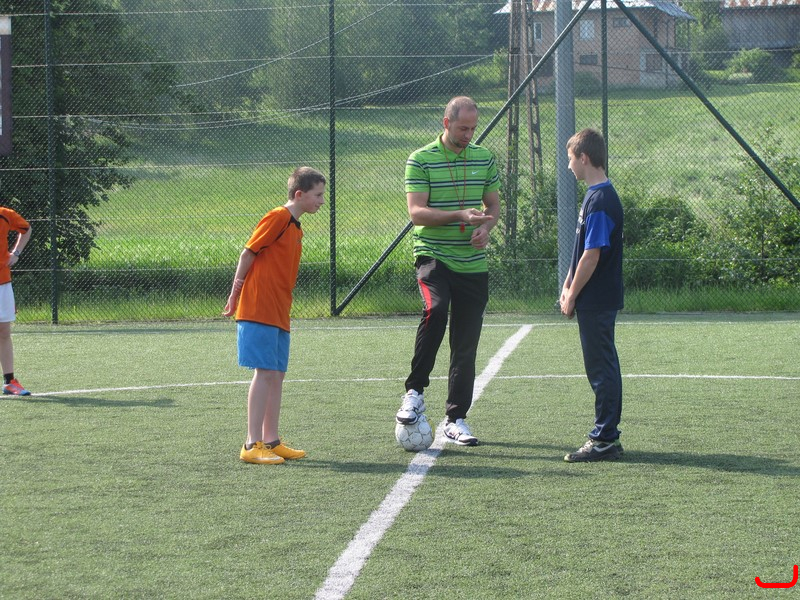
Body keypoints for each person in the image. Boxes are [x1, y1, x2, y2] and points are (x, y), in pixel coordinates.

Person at [396, 96, 501, 446]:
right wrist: (459, 216)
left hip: (473, 263)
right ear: (446, 123)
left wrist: (485, 228)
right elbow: (417, 212)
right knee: (435, 310)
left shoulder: (484, 158)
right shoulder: (421, 159)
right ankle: (414, 393)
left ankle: (456, 419)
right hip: (433, 256)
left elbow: (493, 205)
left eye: (473, 128)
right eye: (462, 128)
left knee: (466, 343)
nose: (469, 134)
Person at [223, 167, 326, 464]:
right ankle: (251, 444)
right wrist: (235, 294)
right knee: (265, 372)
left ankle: (271, 441)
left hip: (279, 310)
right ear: (299, 194)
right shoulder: (278, 217)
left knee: (277, 374)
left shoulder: (296, 227)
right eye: (318, 195)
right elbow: (248, 253)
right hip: (259, 307)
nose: (321, 201)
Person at [559, 128, 624, 462]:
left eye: (571, 158)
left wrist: (572, 295)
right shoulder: (594, 195)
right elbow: (581, 250)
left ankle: (604, 439)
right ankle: (607, 436)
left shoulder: (600, 200)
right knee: (600, 366)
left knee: (601, 369)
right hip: (593, 297)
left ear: (584, 158)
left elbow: (592, 255)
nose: (569, 165)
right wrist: (567, 283)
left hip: (597, 298)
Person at [0, 206, 32, 396]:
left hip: (2, 282)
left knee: (4, 332)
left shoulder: (5, 214)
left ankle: (9, 382)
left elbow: (26, 229)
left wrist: (16, 253)